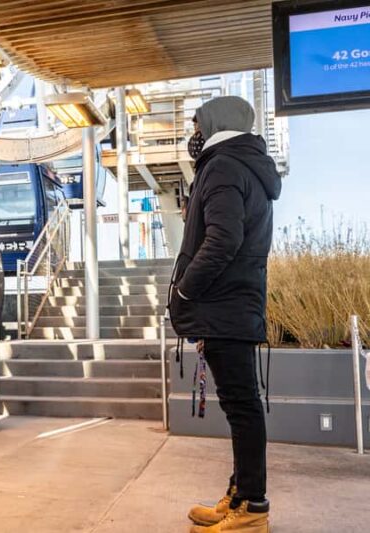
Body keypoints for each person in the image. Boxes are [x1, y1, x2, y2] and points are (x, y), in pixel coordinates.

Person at [168, 96, 281, 533]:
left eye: (197, 125)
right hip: (233, 305)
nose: (193, 135)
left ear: (215, 124)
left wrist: (184, 291)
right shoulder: (239, 164)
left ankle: (252, 508)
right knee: (241, 407)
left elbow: (222, 241)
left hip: (224, 306)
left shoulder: (224, 167)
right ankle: (240, 494)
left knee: (242, 407)